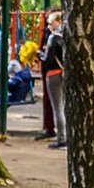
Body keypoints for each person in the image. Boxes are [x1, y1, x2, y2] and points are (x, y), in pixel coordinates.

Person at [40, 11, 67, 150]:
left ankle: (62, 138)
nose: (49, 26)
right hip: (65, 73)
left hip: (54, 73)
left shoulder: (53, 38)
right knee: (65, 107)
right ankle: (67, 136)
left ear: (58, 21)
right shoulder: (67, 35)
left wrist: (39, 54)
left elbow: (48, 60)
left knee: (57, 108)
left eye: (51, 23)